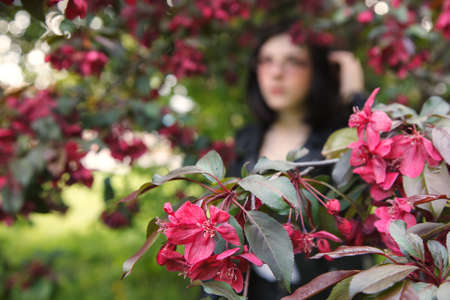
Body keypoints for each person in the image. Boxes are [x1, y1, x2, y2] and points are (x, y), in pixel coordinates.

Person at [225, 21, 367, 299]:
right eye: (267, 60)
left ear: (318, 72)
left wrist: (354, 94)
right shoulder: (245, 140)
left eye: (294, 61)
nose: (276, 73)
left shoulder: (338, 140)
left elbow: (380, 153)